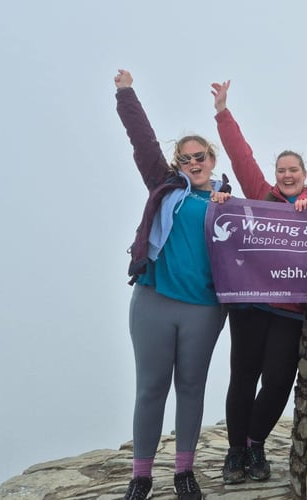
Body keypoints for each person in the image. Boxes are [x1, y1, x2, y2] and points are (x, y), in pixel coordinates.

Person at [114, 69, 231, 500]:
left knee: (191, 387)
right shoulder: (164, 187)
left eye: (200, 156)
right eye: (186, 158)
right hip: (154, 301)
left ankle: (184, 472)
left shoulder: (228, 203)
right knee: (151, 387)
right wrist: (126, 93)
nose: (194, 163)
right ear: (177, 163)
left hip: (204, 308)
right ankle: (140, 477)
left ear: (212, 160)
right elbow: (142, 140)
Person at [210, 79, 307, 485]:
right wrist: (223, 111)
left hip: (292, 311)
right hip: (250, 304)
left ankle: (255, 442)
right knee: (243, 376)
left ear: (303, 175)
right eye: (281, 170)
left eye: (293, 170)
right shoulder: (261, 195)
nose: (287, 175)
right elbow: (240, 156)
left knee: (278, 379)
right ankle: (235, 452)